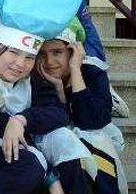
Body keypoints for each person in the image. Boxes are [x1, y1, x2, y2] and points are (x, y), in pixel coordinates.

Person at [0, 0, 92, 194]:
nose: (20, 64)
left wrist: (22, 119)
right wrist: (47, 172)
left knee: (65, 146)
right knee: (32, 166)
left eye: (29, 57)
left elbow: (58, 112)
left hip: (17, 147)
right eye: (13, 53)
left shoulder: (31, 76)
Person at [37, 24, 128, 193]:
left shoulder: (92, 71)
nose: (49, 61)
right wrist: (58, 89)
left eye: (57, 52)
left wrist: (75, 70)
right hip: (58, 138)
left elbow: (92, 122)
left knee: (94, 145)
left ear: (72, 52)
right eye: (42, 54)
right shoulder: (38, 74)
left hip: (96, 133)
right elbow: (55, 121)